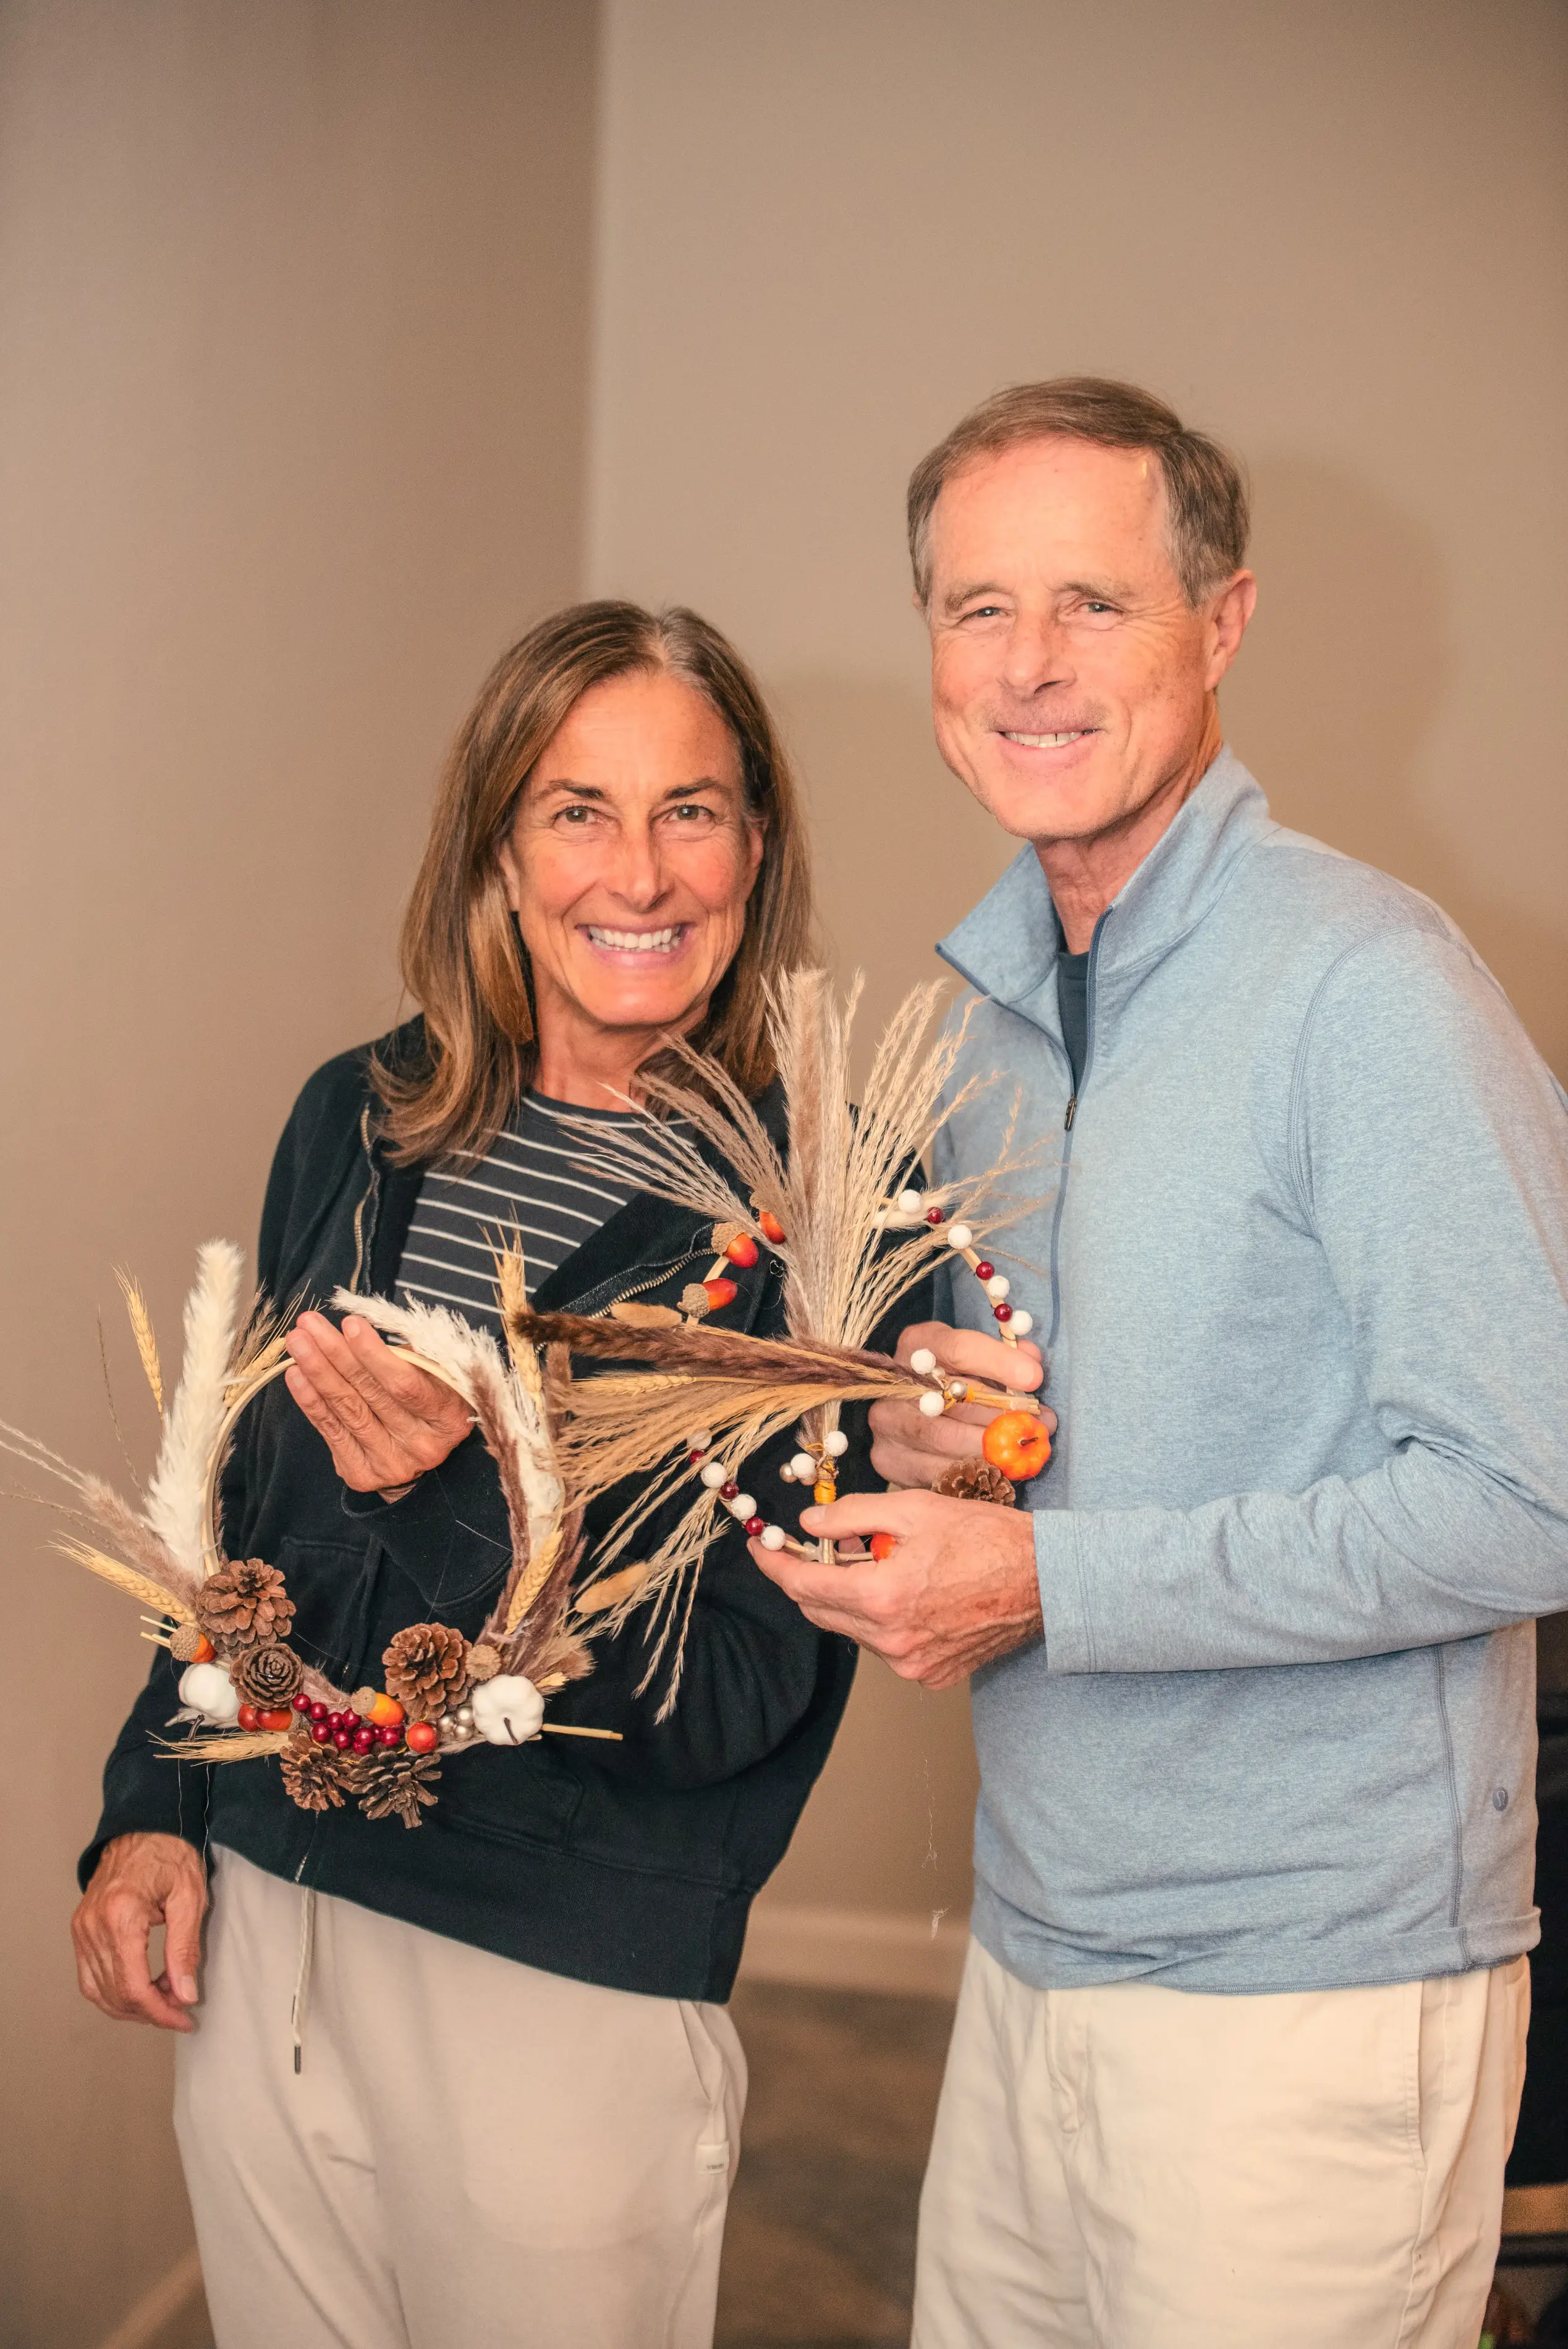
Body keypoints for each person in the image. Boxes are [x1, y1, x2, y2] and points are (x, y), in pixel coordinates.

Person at [755, 378, 1568, 2347]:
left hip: (1315, 1991)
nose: (1029, 665)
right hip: (1037, 1944)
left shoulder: (1370, 989)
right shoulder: (979, 1014)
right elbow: (1099, 1422)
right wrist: (936, 1446)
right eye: (979, 608)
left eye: (1094, 604)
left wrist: (1049, 1582)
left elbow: (1531, 1500)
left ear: (1223, 625)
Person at [71, 600, 899, 2349]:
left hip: (559, 1977)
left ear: (757, 848)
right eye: (577, 809)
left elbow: (736, 1698)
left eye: (691, 810)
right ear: (500, 852)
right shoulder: (360, 1120)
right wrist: (155, 1804)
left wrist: (462, 1500)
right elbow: (229, 1518)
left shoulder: (819, 1230)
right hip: (269, 1928)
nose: (640, 873)